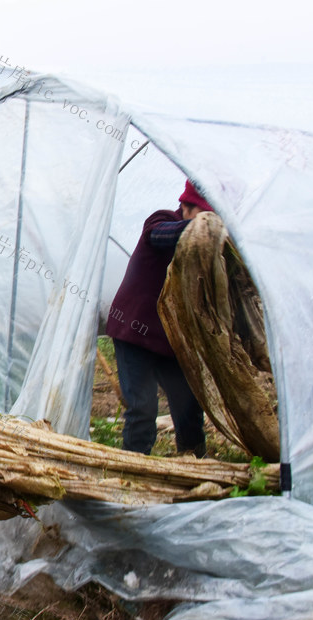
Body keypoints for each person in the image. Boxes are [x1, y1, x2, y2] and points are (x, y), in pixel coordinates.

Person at [105, 180, 212, 457]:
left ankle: (195, 466)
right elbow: (161, 235)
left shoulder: (207, 251)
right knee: (142, 408)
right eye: (204, 217)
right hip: (134, 333)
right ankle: (133, 472)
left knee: (189, 404)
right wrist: (203, 229)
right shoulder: (163, 220)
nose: (209, 225)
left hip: (171, 340)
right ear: (186, 207)